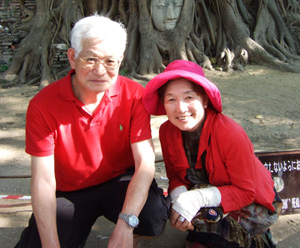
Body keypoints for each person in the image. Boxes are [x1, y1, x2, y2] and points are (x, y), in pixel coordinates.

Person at [15, 15, 170, 248]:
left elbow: (146, 164)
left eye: (110, 61)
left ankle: (131, 237)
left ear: (120, 61)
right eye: (90, 59)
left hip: (118, 181)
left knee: (151, 216)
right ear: (72, 58)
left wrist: (126, 226)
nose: (100, 71)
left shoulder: (134, 94)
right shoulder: (43, 105)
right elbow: (43, 180)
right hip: (70, 190)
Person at [143, 60, 281, 248]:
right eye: (171, 99)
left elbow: (246, 192)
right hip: (207, 192)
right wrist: (180, 202)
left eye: (189, 97)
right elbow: (175, 177)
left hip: (250, 201)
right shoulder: (167, 131)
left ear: (205, 100)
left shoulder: (230, 133)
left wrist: (194, 199)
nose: (180, 108)